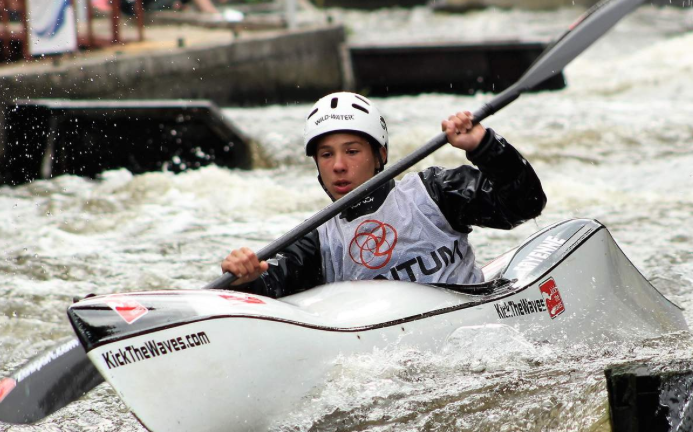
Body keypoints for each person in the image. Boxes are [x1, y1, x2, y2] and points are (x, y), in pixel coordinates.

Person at [221, 93, 546, 296]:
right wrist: (245, 278)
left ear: (381, 154)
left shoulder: (435, 192)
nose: (338, 166)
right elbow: (270, 287)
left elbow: (524, 204)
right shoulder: (317, 239)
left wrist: (484, 146)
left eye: (351, 151)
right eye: (326, 155)